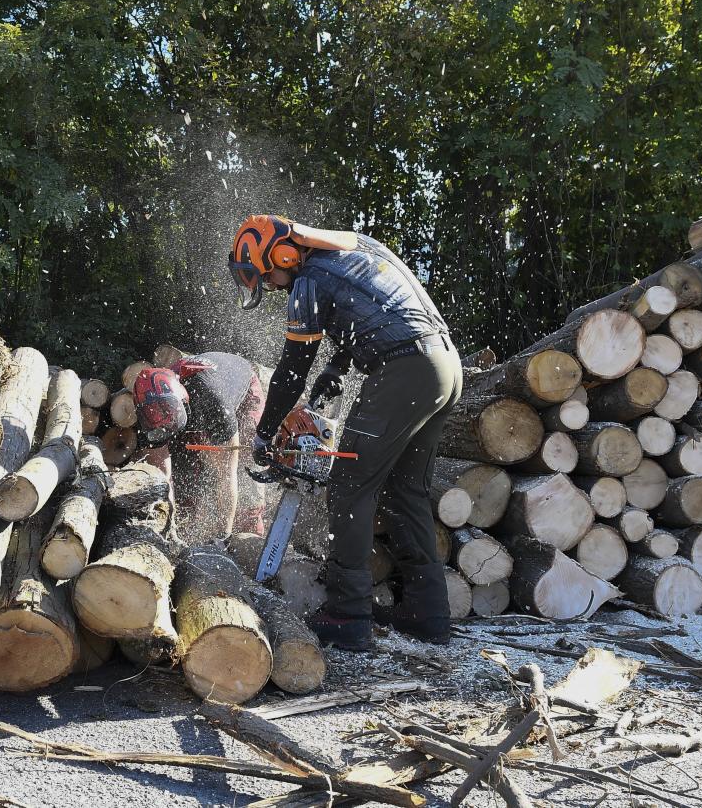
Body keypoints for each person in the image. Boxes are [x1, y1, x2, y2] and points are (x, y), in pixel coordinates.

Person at [229, 214, 461, 648]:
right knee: (405, 488)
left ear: (282, 255)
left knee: (350, 485)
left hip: (404, 371)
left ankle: (348, 614)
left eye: (269, 274)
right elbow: (376, 309)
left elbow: (289, 373)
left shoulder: (307, 280)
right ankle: (428, 611)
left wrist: (264, 435)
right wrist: (337, 366)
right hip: (445, 366)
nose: (274, 285)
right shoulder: (356, 250)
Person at [131, 353, 266, 541]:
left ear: (180, 398)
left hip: (242, 392)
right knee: (186, 468)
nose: (168, 425)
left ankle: (250, 532)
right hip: (194, 407)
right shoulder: (149, 415)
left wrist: (223, 537)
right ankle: (186, 526)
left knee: (245, 461)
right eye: (163, 423)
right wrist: (170, 528)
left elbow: (227, 475)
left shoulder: (213, 400)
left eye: (171, 416)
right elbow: (163, 476)